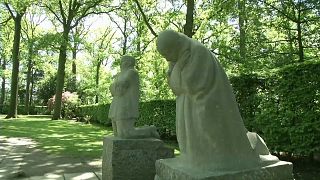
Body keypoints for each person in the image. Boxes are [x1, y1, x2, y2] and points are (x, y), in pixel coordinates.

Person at [156, 30, 278, 171]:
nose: (167, 59)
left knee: (213, 139)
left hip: (206, 105)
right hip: (189, 106)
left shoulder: (198, 52)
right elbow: (177, 88)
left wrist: (177, 69)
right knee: (192, 141)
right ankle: (197, 157)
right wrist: (176, 69)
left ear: (177, 44)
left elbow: (190, 84)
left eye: (167, 54)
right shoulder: (181, 56)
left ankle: (218, 159)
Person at [108, 55, 159, 139]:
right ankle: (148, 130)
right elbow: (114, 90)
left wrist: (114, 86)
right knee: (117, 133)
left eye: (123, 61)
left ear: (129, 62)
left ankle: (149, 130)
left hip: (126, 106)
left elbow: (120, 89)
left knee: (125, 134)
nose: (121, 64)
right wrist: (114, 86)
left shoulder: (131, 72)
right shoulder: (120, 74)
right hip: (117, 105)